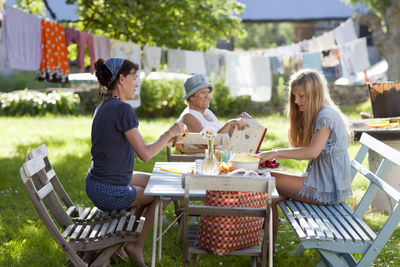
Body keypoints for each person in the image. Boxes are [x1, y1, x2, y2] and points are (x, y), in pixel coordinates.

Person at [85, 57, 187, 267]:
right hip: (109, 190)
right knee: (164, 191)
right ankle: (135, 245)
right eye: (134, 77)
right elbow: (146, 154)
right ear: (121, 79)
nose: (137, 83)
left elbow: (138, 148)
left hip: (99, 182)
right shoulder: (122, 110)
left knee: (158, 181)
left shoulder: (105, 107)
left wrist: (169, 135)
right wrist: (170, 132)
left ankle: (126, 238)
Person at [258, 69, 351, 247]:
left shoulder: (325, 116)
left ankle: (264, 248)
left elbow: (311, 152)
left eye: (301, 96)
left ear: (315, 94)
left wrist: (275, 152)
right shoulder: (324, 112)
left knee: (266, 180)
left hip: (325, 190)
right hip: (322, 183)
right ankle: (266, 251)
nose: (296, 101)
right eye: (294, 96)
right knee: (269, 197)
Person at [179, 74, 250, 135]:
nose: (208, 96)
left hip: (223, 150)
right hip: (206, 151)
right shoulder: (188, 116)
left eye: (208, 92)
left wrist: (236, 123)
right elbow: (207, 143)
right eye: (203, 92)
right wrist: (229, 124)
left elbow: (223, 135)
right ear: (191, 97)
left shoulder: (207, 112)